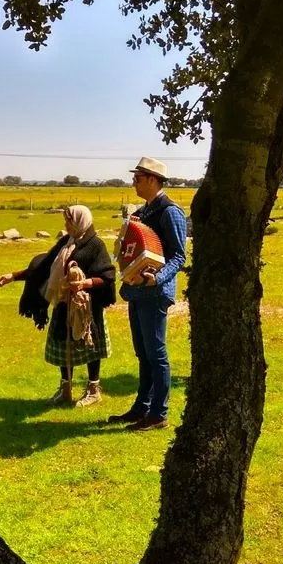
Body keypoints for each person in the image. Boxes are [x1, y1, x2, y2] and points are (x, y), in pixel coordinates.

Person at [0, 205, 116, 406]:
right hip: (63, 304)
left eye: (69, 220)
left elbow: (108, 276)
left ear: (79, 221)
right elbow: (43, 267)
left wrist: (85, 283)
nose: (65, 224)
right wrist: (13, 276)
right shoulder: (66, 242)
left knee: (89, 346)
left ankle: (93, 389)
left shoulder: (96, 245)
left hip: (85, 308)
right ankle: (65, 389)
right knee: (63, 345)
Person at [108, 157, 187, 431]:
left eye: (138, 178)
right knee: (142, 353)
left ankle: (158, 414)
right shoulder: (143, 212)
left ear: (153, 180)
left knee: (156, 354)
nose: (134, 182)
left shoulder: (170, 211)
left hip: (155, 293)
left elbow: (179, 256)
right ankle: (141, 408)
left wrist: (158, 279)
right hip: (137, 292)